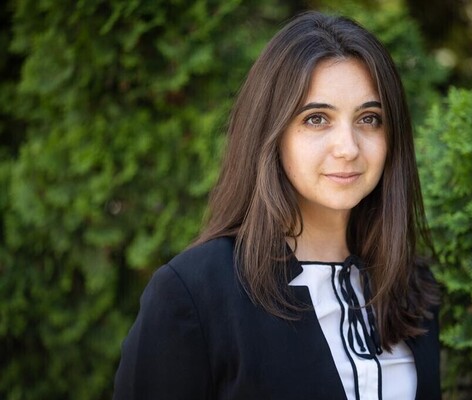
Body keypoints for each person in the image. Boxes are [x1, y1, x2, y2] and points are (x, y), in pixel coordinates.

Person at [114, 10, 440, 400]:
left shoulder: (410, 285)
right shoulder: (194, 294)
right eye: (317, 119)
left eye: (369, 119)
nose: (349, 148)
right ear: (271, 132)